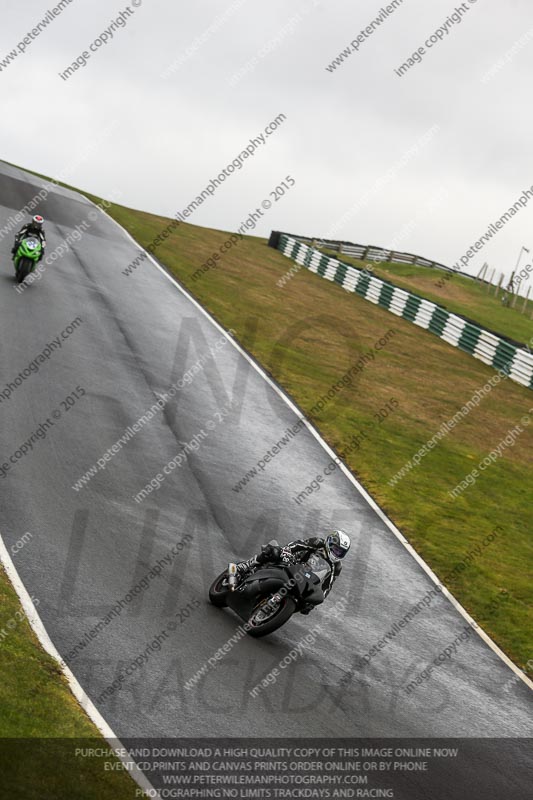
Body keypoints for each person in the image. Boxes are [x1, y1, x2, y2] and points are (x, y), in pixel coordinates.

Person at [236, 529, 351, 607]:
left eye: (340, 552)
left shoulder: (337, 566)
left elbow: (327, 587)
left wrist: (315, 601)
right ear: (329, 542)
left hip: (307, 580)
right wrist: (286, 551)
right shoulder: (318, 542)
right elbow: (297, 544)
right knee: (274, 550)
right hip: (293, 563)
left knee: (305, 603)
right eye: (335, 549)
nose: (337, 553)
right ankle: (245, 565)